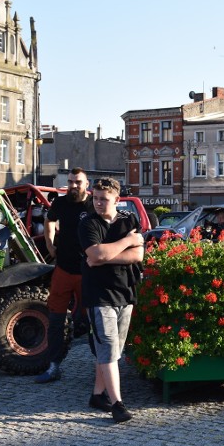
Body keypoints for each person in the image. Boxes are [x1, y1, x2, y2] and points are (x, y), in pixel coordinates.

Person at [78, 177, 144, 423]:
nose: (97, 203)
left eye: (103, 199)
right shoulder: (88, 224)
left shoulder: (129, 219)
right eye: (95, 198)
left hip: (125, 291)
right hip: (99, 294)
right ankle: (117, 403)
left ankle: (97, 395)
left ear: (117, 199)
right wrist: (127, 242)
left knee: (113, 349)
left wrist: (106, 255)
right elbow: (94, 255)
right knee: (106, 345)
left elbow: (139, 255)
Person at [34, 167, 93, 383]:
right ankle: (53, 367)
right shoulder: (60, 203)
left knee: (93, 320)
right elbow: (50, 220)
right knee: (56, 320)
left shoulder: (93, 205)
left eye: (78, 182)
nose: (73, 186)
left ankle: (102, 369)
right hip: (63, 269)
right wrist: (50, 244)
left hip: (88, 270)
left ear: (87, 183)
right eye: (70, 182)